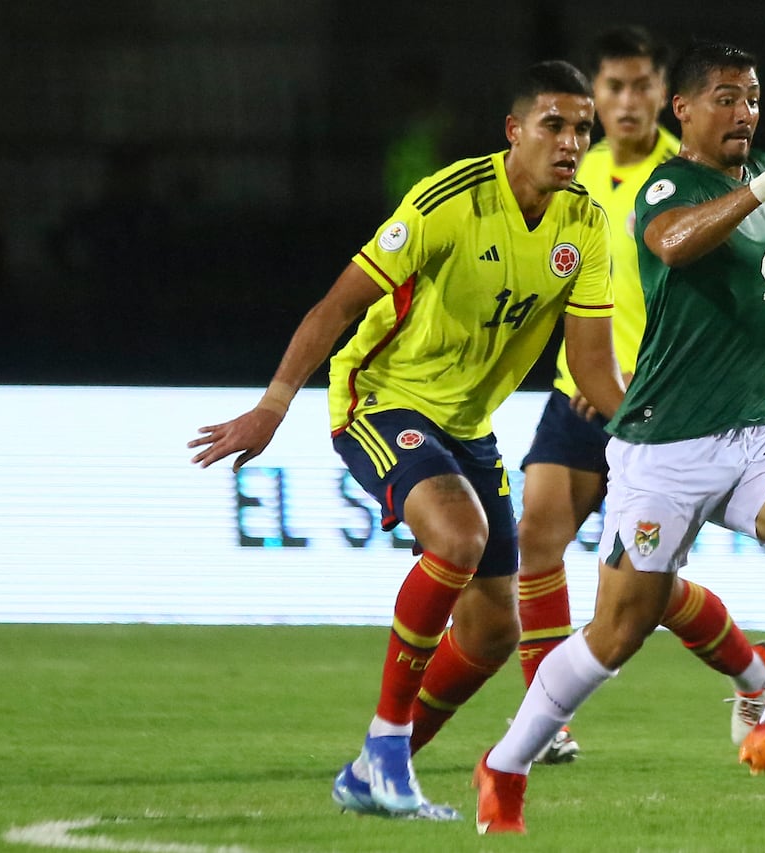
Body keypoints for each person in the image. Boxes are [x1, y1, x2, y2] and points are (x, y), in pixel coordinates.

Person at [473, 41, 765, 835]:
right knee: (617, 632)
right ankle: (504, 763)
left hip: (752, 436)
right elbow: (670, 242)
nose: (745, 113)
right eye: (728, 98)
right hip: (666, 447)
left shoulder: (756, 168)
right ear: (686, 112)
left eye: (755, 97)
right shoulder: (674, 183)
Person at [189, 60, 624, 821]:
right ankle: (386, 749)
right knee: (459, 534)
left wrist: (653, 433)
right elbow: (334, 307)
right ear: (514, 131)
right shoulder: (449, 200)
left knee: (493, 631)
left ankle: (374, 771)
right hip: (379, 397)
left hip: (467, 426)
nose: (571, 141)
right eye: (554, 124)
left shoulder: (584, 222)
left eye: (582, 128)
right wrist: (272, 406)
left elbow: (592, 364)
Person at [508, 25, 765, 766]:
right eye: (613, 88)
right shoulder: (575, 169)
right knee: (535, 537)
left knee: (645, 594)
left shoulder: (696, 169)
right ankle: (548, 716)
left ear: (669, 96)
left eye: (641, 86)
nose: (628, 102)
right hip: (581, 393)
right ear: (595, 97)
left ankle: (755, 671)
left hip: (661, 407)